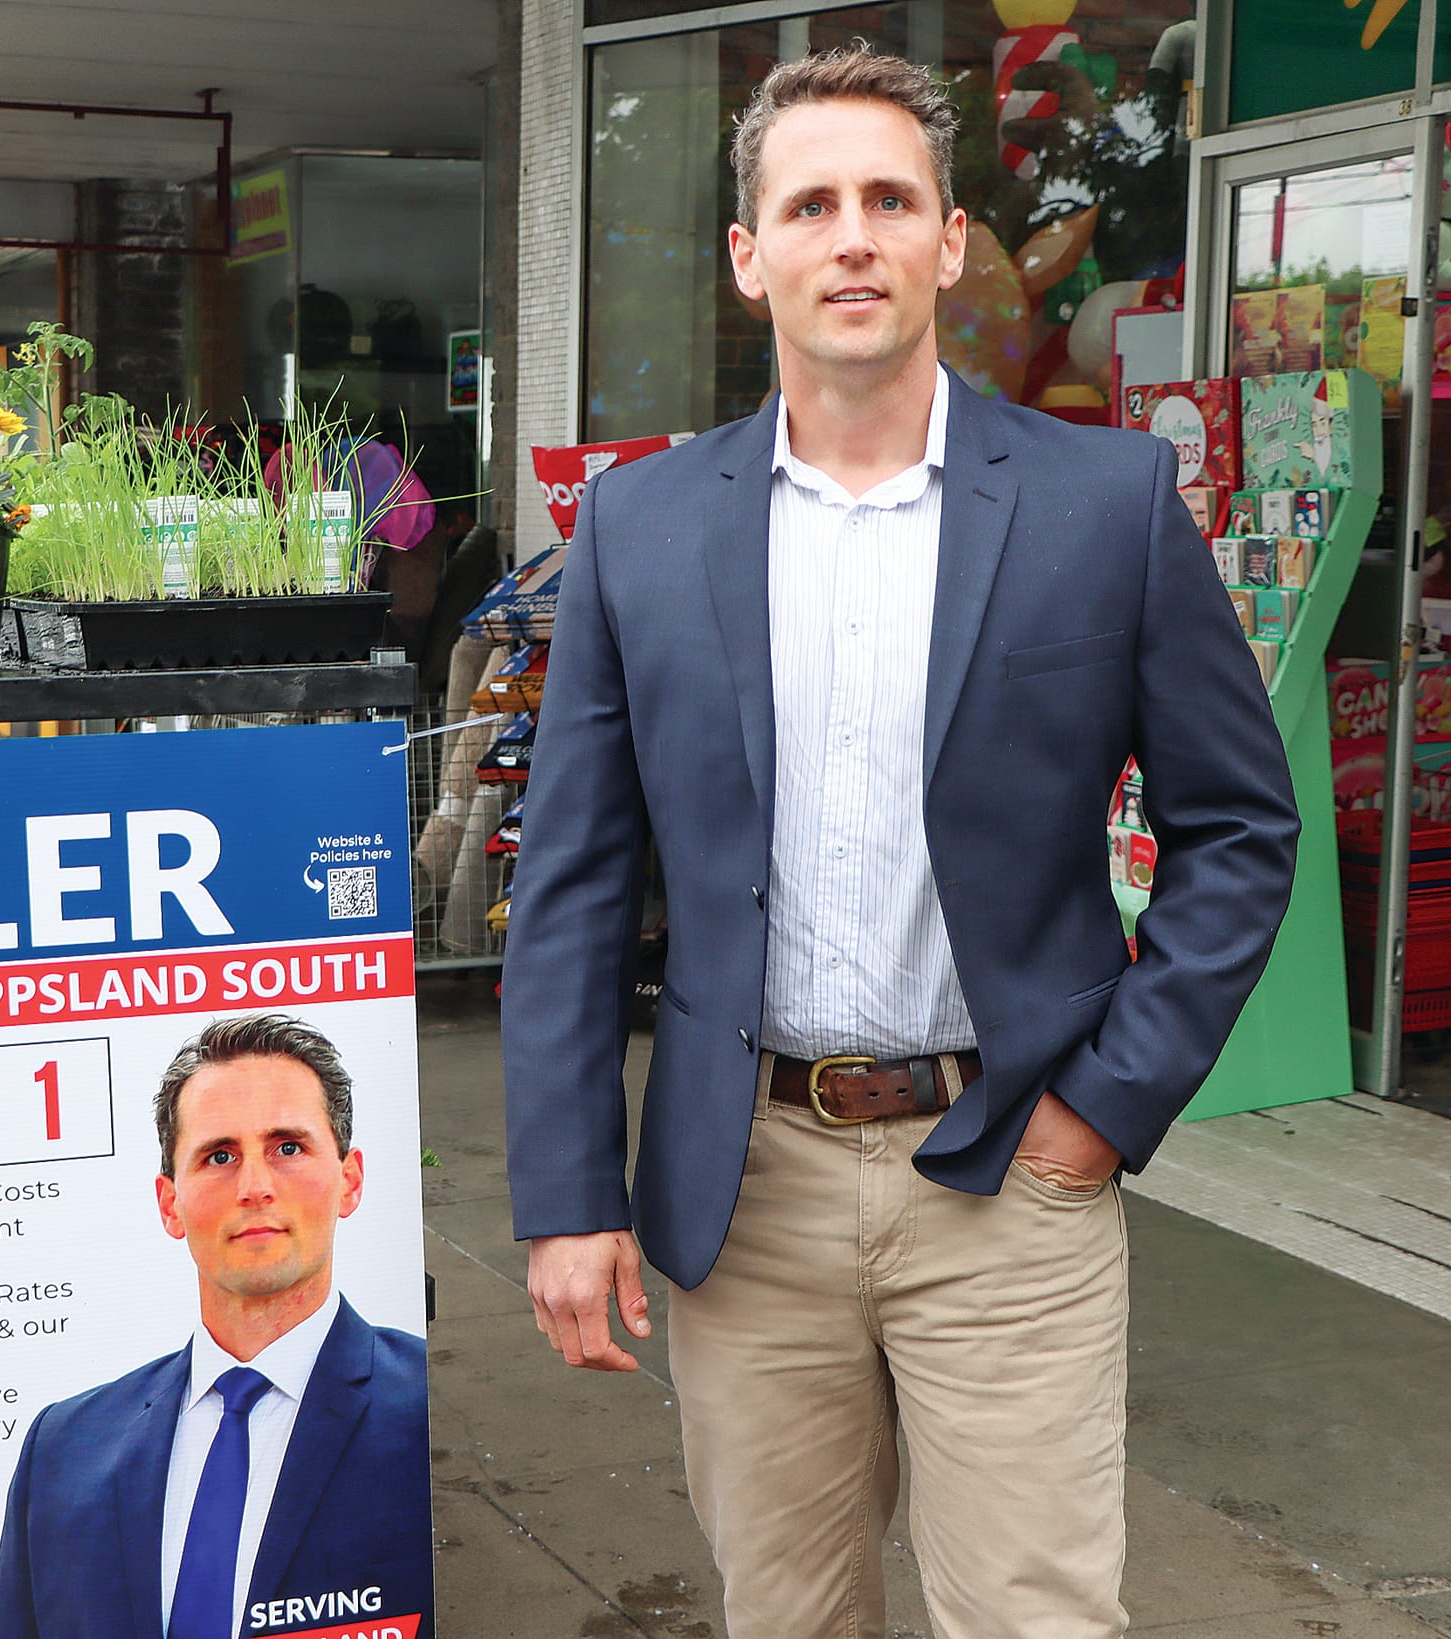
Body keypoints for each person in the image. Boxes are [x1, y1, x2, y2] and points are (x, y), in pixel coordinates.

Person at [501, 44, 1299, 1639]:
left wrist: (1102, 1107)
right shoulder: (642, 532)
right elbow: (575, 886)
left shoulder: (1109, 503)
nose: (850, 235)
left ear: (947, 240)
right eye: (811, 204)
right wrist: (565, 1193)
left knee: (1035, 1615)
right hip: (749, 1182)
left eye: (889, 198)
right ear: (751, 258)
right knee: (787, 1614)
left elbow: (1240, 827)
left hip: (1013, 1167)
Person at [0, 1015, 432, 1639]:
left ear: (349, 1181)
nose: (254, 1187)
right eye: (219, 1156)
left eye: (288, 1147)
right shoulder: (62, 1451)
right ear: (171, 1203)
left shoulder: (433, 1420)